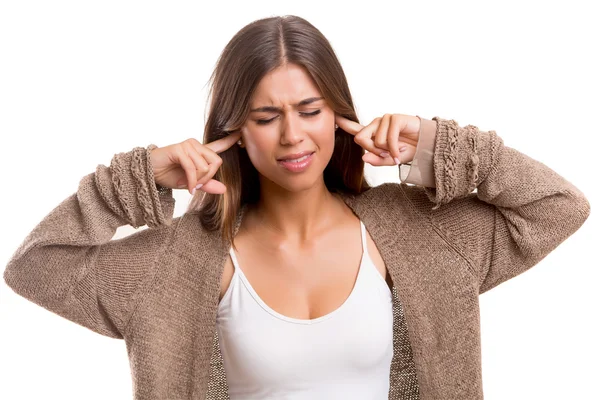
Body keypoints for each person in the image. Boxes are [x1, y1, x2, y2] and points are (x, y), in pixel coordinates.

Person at [3, 14, 590, 400]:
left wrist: (435, 144)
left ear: (338, 114)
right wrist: (137, 177)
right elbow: (34, 267)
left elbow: (556, 207)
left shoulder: (420, 234)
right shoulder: (177, 261)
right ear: (233, 131)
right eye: (265, 117)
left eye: (309, 111)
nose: (292, 136)